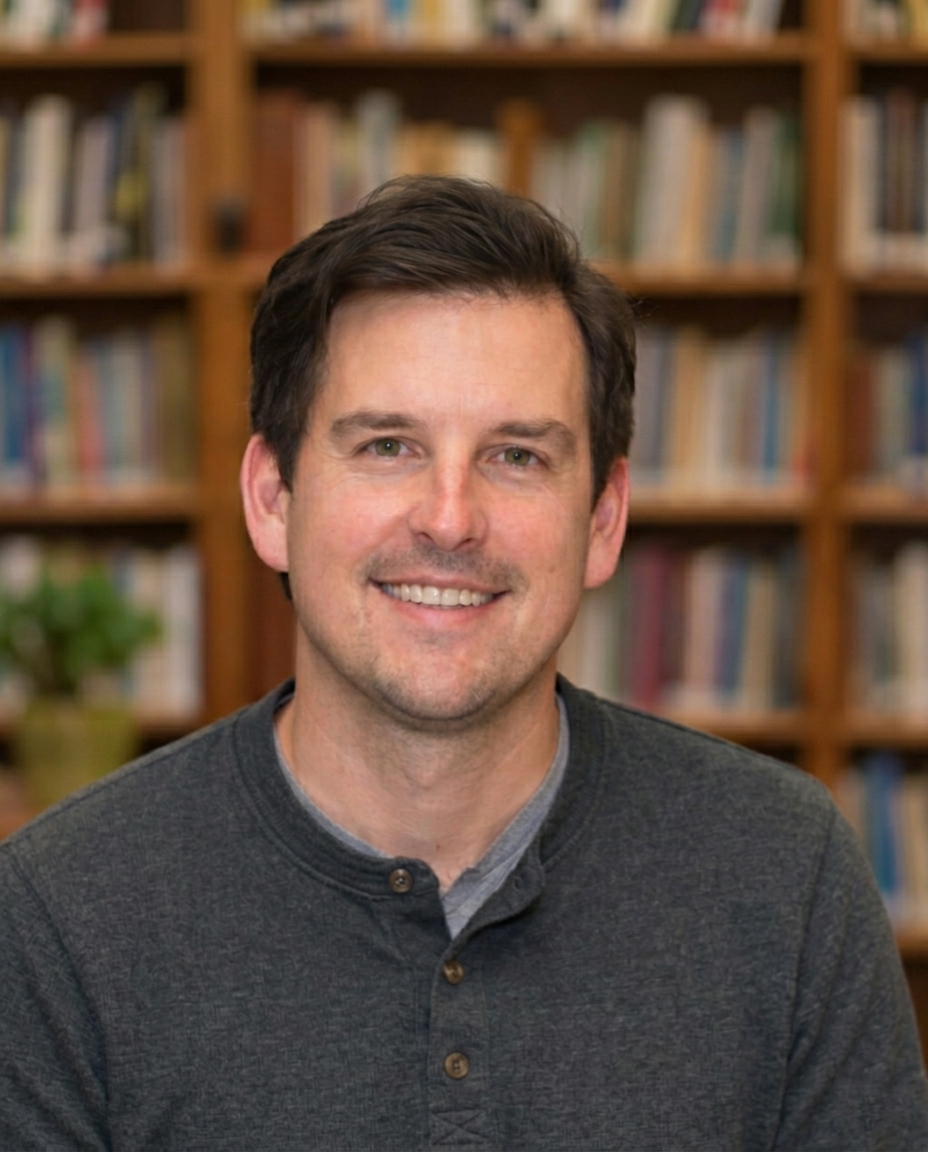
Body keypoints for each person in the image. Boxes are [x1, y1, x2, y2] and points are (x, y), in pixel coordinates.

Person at [1, 176, 926, 1152]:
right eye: (388, 445)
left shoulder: (785, 878)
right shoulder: (60, 918)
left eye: (517, 456)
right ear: (273, 497)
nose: (449, 518)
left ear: (602, 520)